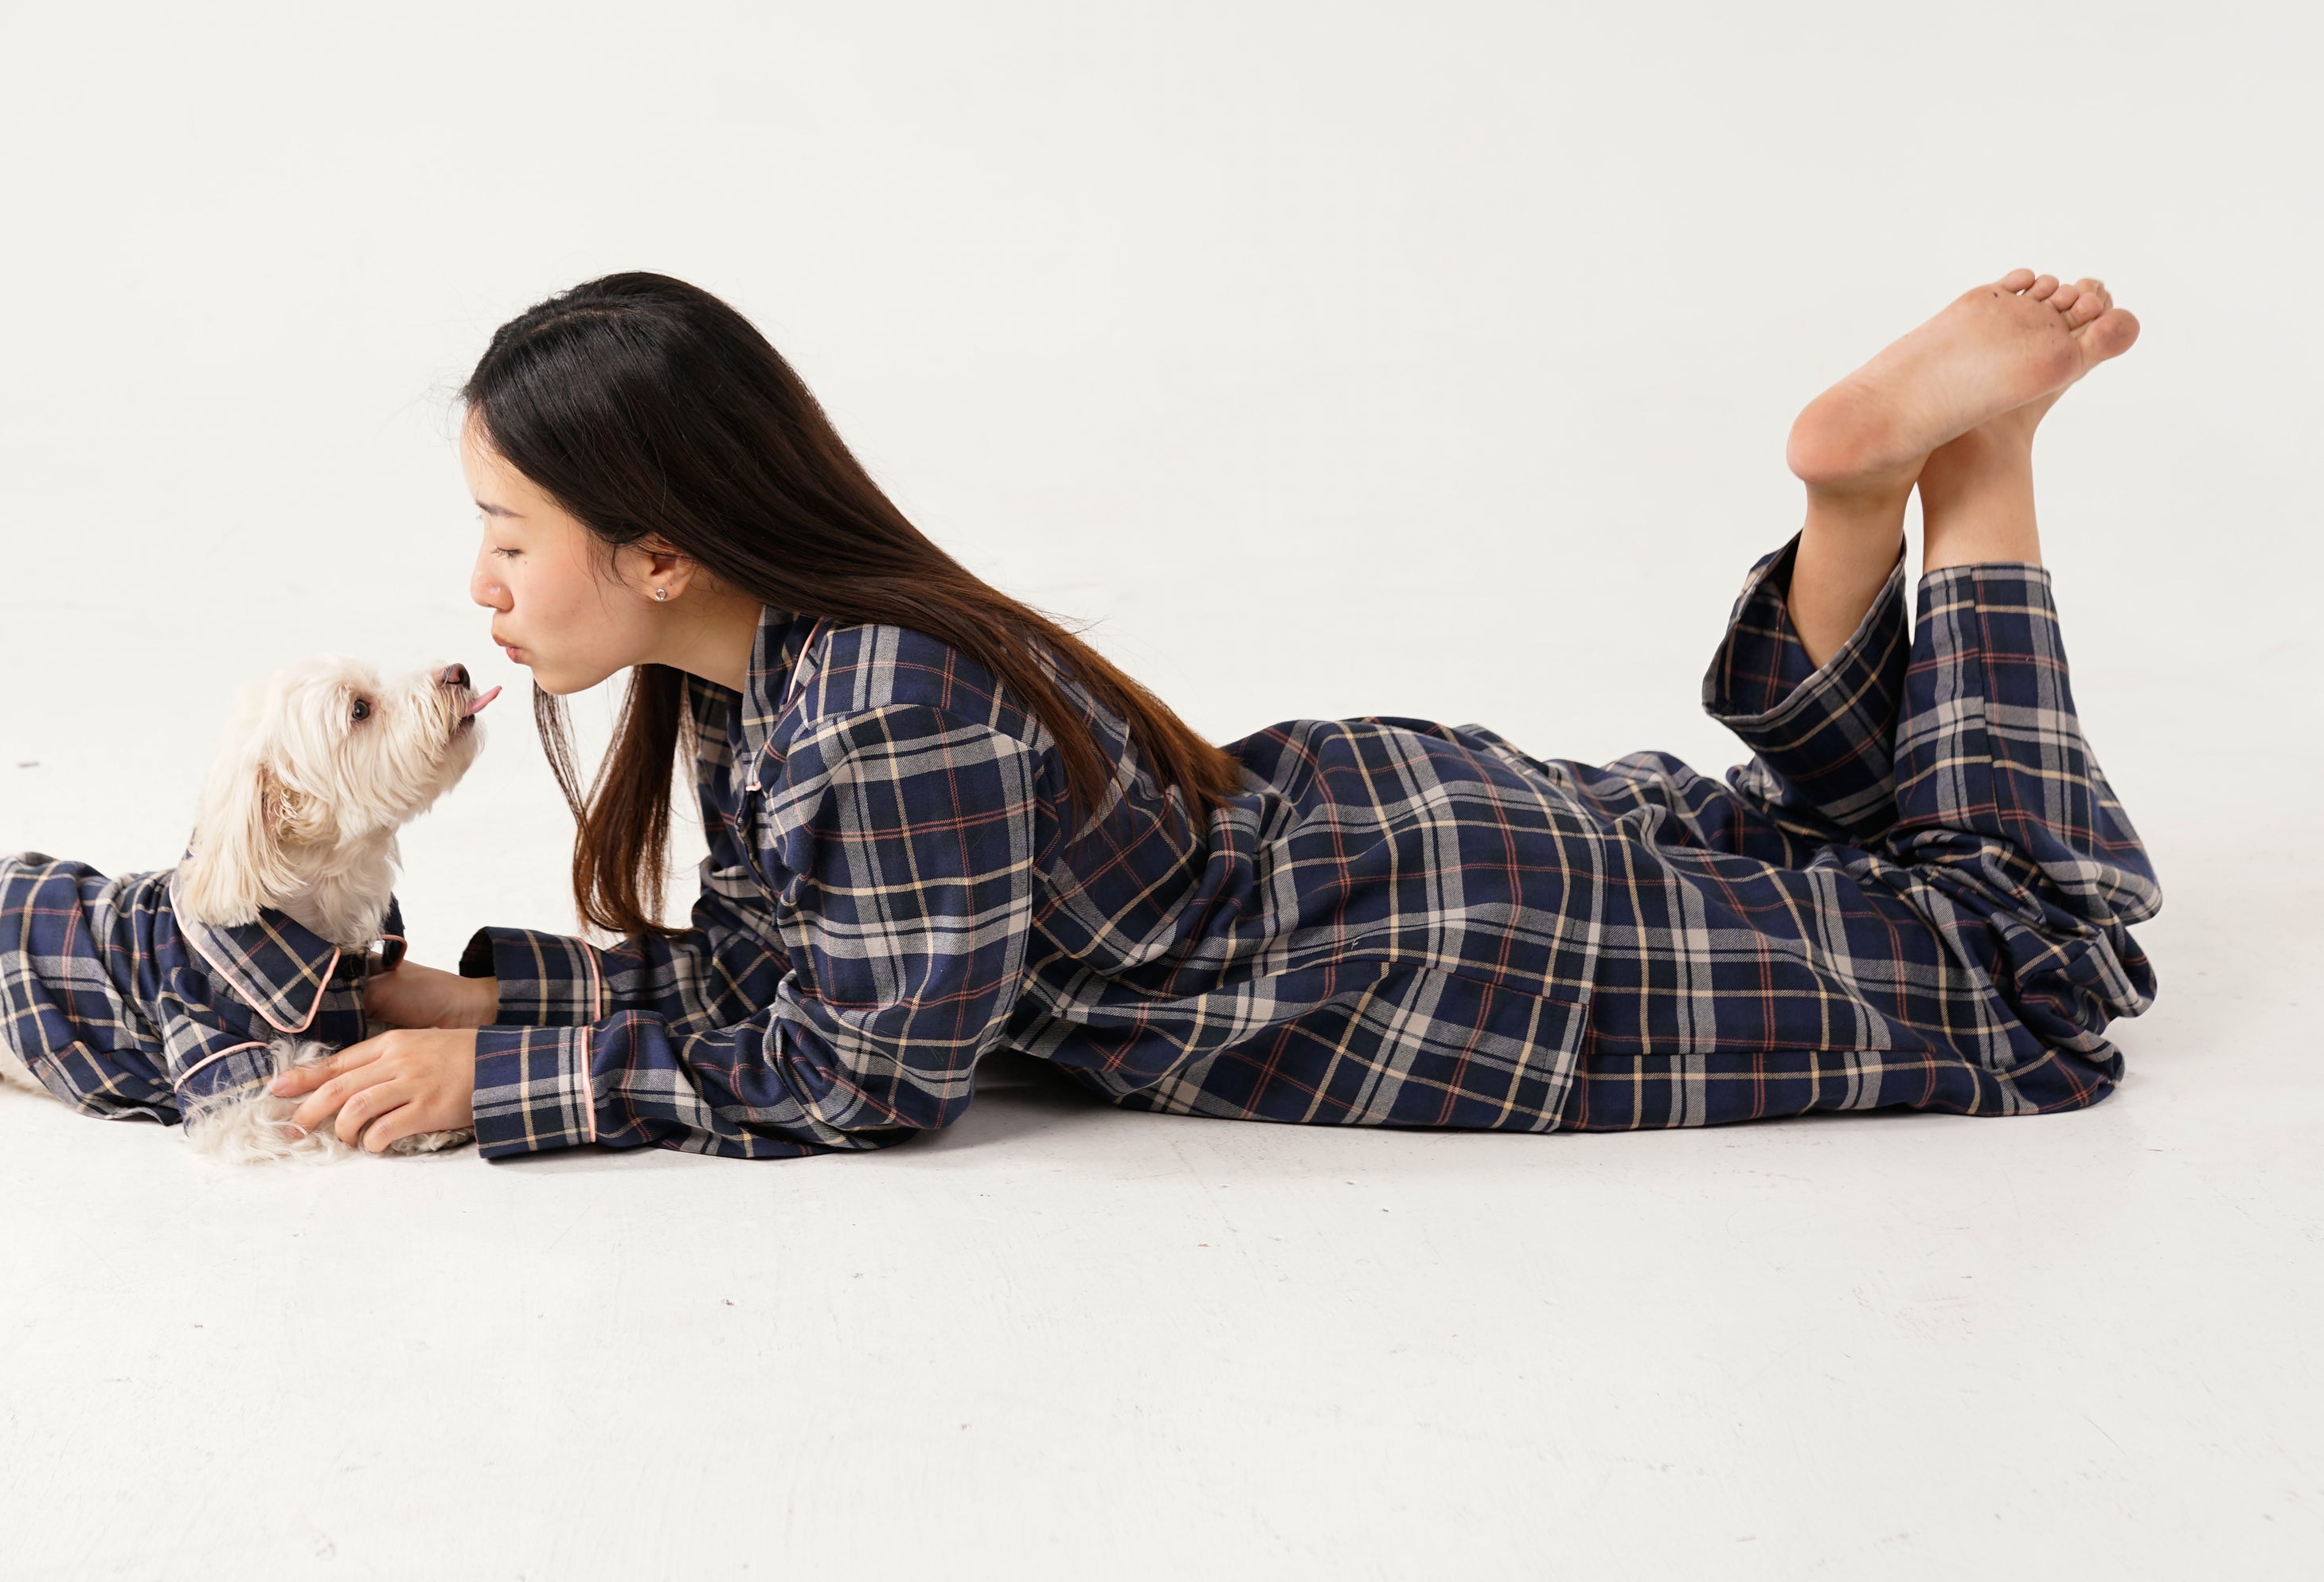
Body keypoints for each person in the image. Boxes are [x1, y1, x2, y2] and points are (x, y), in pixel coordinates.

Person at [272, 268, 2157, 1158]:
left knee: (2027, 959)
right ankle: (1860, 496)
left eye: (510, 538)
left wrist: (506, 1086)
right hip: (1371, 839)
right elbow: (806, 976)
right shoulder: (786, 670)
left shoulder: (877, 704)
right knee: (1821, 839)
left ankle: (1971, 465)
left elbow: (859, 1075)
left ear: (664, 546)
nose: (484, 590)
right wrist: (501, 992)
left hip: (1430, 952)